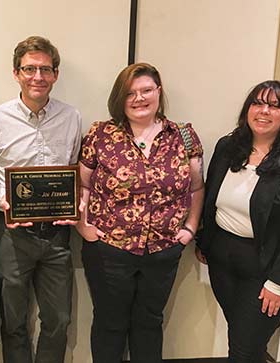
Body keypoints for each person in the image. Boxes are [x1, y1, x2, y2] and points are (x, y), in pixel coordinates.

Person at [76, 62, 204, 363]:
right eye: (130, 93)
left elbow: (196, 187)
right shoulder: (101, 134)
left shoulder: (183, 136)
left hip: (163, 250)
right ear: (120, 98)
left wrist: (190, 228)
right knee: (110, 324)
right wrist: (84, 227)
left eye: (146, 90)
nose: (139, 98)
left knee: (149, 323)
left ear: (158, 92)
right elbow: (82, 183)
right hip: (109, 250)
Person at [0, 36, 82, 363]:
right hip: (12, 234)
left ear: (56, 74)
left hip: (57, 235)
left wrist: (74, 203)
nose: (38, 76)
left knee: (58, 319)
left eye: (45, 69)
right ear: (16, 73)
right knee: (13, 319)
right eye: (30, 69)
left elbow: (73, 168)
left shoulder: (72, 117)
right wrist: (3, 200)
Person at [196, 80, 280, 362]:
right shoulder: (228, 147)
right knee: (245, 340)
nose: (264, 111)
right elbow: (210, 197)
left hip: (269, 266)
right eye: (257, 103)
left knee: (243, 349)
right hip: (223, 261)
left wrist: (279, 283)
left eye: (275, 106)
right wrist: (204, 242)